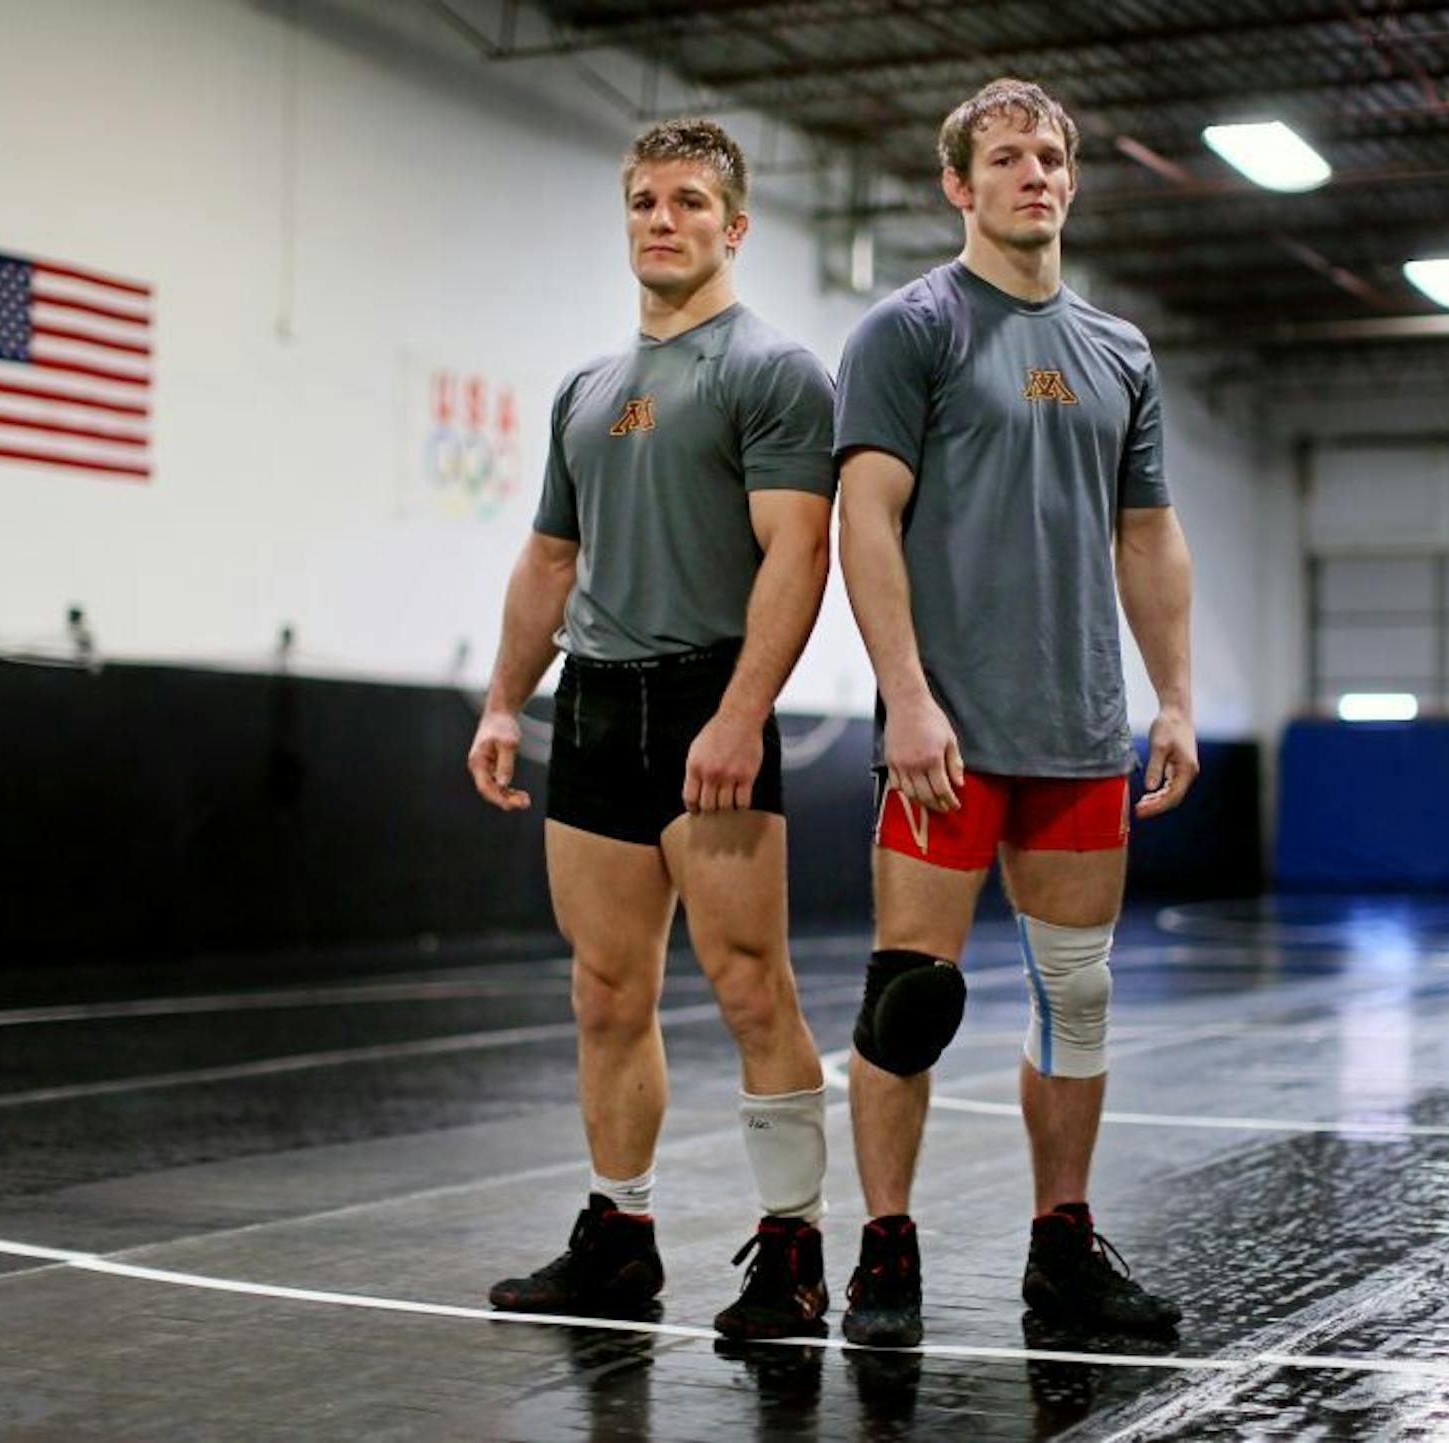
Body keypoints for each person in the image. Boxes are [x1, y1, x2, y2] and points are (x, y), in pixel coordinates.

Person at [830, 77, 1199, 1348]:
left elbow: (1148, 535)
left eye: (1050, 156)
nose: (1032, 173)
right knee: (908, 1001)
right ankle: (885, 1247)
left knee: (1076, 996)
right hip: (948, 739)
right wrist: (908, 698)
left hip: (1082, 732)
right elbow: (863, 517)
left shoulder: (1119, 352)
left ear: (1072, 181)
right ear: (959, 185)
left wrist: (1176, 700)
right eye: (1005, 157)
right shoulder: (910, 329)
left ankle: (1062, 1246)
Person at [466, 118, 836, 1342]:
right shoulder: (587, 390)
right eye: (642, 201)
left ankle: (791, 1253)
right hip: (597, 703)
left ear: (734, 226)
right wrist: (503, 701)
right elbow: (547, 560)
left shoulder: (773, 370)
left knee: (747, 986)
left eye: (686, 201)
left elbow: (799, 549)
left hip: (704, 700)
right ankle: (620, 1238)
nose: (661, 221)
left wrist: (741, 713)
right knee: (605, 992)